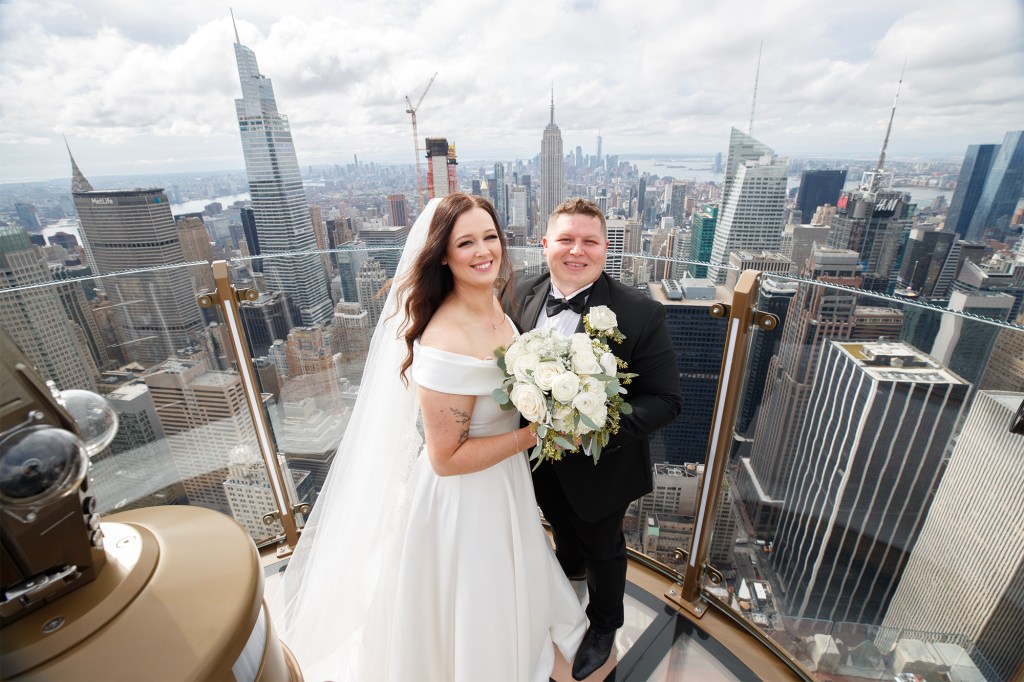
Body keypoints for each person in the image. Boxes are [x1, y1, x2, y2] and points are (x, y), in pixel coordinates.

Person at [271, 193, 586, 682]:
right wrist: (537, 434)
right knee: (474, 602)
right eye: (466, 243)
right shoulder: (444, 340)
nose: (484, 251)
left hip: (503, 484)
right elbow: (445, 458)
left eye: (489, 237)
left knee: (509, 584)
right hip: (463, 500)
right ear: (443, 254)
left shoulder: (496, 308)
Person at [502, 197, 682, 680]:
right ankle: (568, 575)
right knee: (560, 528)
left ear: (607, 249)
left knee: (604, 546)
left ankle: (604, 625)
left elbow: (666, 401)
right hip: (531, 460)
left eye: (589, 241)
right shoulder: (517, 293)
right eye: (565, 239)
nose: (576, 250)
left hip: (603, 466)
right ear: (544, 246)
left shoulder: (640, 313)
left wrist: (590, 428)